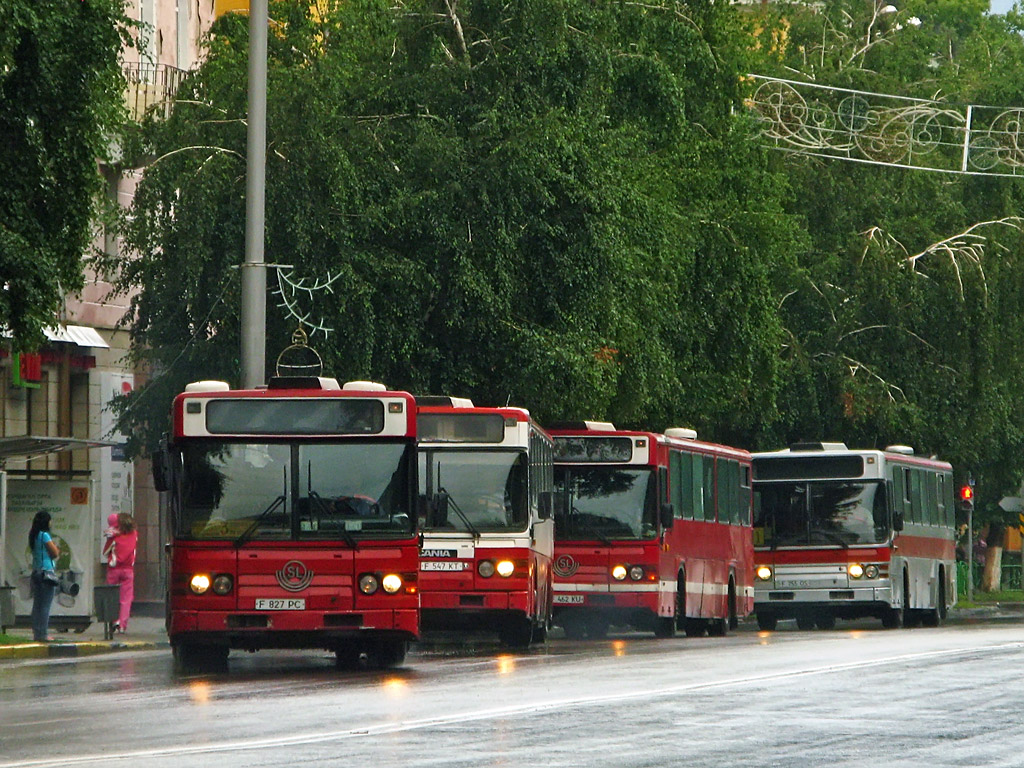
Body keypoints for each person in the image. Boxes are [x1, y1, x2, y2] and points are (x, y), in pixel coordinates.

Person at [28, 511, 60, 643]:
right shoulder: (45, 535)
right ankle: (43, 633)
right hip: (46, 573)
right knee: (45, 605)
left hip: (36, 572)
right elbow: (54, 553)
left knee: (37, 604)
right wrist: (57, 549)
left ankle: (37, 632)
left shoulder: (34, 535)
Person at [103, 513, 138, 633]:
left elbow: (105, 551)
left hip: (113, 569)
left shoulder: (112, 535)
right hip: (128, 570)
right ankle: (122, 625)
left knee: (112, 597)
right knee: (126, 598)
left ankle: (113, 620)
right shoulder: (134, 534)